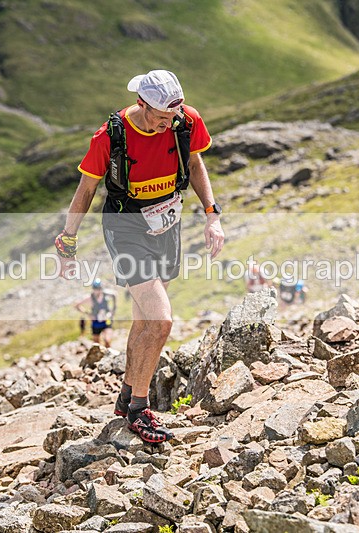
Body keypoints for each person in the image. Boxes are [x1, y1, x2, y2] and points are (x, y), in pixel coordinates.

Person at [55, 70, 224, 444]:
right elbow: (86, 188)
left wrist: (212, 216)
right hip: (126, 227)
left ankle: (126, 396)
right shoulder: (110, 136)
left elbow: (195, 165)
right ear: (142, 104)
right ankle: (140, 410)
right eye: (161, 118)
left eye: (173, 118)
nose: (168, 125)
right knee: (161, 321)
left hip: (167, 225)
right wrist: (67, 240)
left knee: (143, 319)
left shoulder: (186, 121)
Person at [74, 278, 117, 347]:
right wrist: (87, 314)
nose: (97, 291)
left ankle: (108, 355)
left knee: (107, 340)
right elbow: (77, 305)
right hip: (96, 322)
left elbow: (114, 295)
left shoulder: (106, 294)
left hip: (106, 320)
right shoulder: (90, 298)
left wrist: (113, 311)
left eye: (99, 288)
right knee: (96, 343)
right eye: (95, 289)